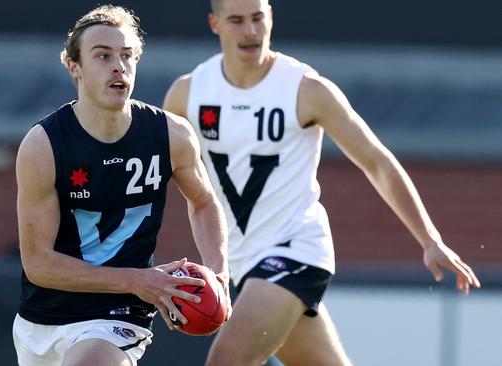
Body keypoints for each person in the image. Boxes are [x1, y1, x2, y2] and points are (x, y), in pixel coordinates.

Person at [163, 0, 481, 365]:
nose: (250, 31)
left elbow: (376, 162)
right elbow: (155, 176)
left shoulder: (306, 88)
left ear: (271, 18)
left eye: (257, 18)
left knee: (227, 360)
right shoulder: (188, 93)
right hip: (242, 263)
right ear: (214, 24)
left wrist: (431, 240)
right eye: (236, 20)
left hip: (296, 250)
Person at [13, 5, 230, 366]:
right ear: (74, 67)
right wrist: (138, 279)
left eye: (127, 55)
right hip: (41, 321)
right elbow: (38, 264)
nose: (119, 66)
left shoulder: (171, 134)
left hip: (119, 316)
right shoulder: (44, 145)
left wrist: (218, 272)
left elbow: (204, 202)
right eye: (103, 56)